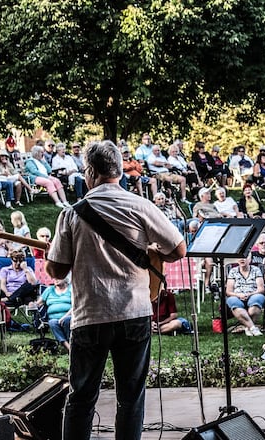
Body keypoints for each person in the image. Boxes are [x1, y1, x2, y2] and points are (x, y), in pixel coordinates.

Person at [45, 140, 186, 440]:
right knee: (131, 398)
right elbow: (178, 250)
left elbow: (56, 270)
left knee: (81, 397)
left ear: (92, 172)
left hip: (90, 316)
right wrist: (149, 250)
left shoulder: (72, 213)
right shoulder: (141, 206)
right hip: (133, 312)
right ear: (120, 172)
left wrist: (54, 252)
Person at [225, 256, 265, 336]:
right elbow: (228, 291)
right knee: (234, 303)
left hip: (254, 294)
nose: (242, 259)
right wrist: (238, 295)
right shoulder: (233, 271)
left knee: (255, 305)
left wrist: (249, 294)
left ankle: (248, 327)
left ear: (250, 259)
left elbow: (261, 289)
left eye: (245, 257)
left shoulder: (256, 270)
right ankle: (253, 328)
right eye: (240, 257)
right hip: (236, 295)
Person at [37, 277, 74, 351]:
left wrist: (63, 317)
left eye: (58, 278)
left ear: (66, 279)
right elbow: (38, 303)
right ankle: (68, 347)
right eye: (54, 278)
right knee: (52, 323)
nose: (56, 280)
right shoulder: (49, 290)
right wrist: (33, 305)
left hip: (69, 315)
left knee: (67, 320)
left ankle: (70, 342)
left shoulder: (71, 289)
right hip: (53, 318)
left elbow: (75, 306)